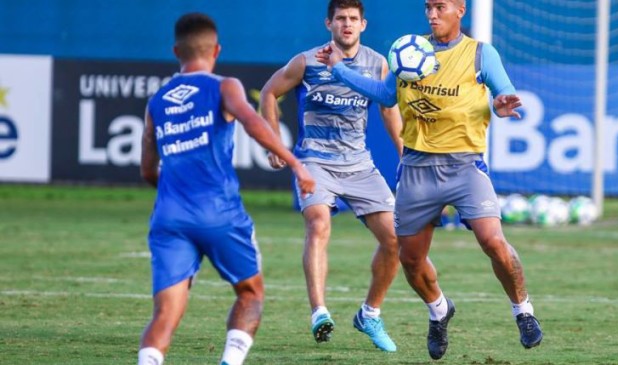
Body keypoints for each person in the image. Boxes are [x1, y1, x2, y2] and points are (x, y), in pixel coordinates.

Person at [315, 0, 543, 360]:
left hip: (465, 167)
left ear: (460, 10)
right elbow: (386, 95)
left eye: (440, 7)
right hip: (417, 168)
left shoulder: (480, 54)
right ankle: (439, 311)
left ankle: (524, 312)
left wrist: (500, 104)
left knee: (493, 240)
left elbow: (503, 93)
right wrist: (340, 70)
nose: (432, 15)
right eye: (428, 8)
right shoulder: (409, 50)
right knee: (410, 259)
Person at [138, 13, 315, 365]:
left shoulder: (156, 102)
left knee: (165, 315)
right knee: (250, 293)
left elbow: (147, 170)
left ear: (176, 50)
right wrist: (295, 163)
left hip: (169, 217)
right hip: (218, 212)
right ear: (216, 49)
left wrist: (175, 192)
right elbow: (252, 122)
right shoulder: (224, 86)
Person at [259, 0, 403, 352]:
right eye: (341, 18)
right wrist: (275, 144)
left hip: (360, 166)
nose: (347, 24)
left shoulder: (376, 63)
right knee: (319, 223)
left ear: (363, 25)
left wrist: (404, 155)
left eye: (353, 19)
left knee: (397, 241)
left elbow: (388, 109)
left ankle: (369, 314)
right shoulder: (307, 61)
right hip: (315, 162)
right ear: (329, 24)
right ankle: (319, 311)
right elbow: (268, 93)